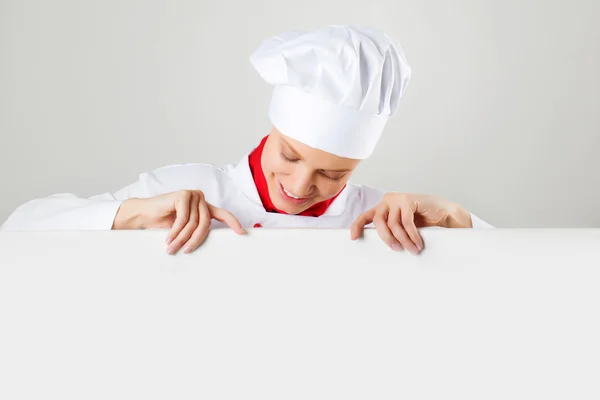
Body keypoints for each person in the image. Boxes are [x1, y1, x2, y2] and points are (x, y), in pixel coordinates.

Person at [0, 25, 493, 255]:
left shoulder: (390, 220)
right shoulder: (186, 188)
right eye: (290, 155)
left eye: (333, 173)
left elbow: (530, 284)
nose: (301, 186)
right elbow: (18, 229)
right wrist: (130, 213)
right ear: (271, 130)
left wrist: (455, 219)